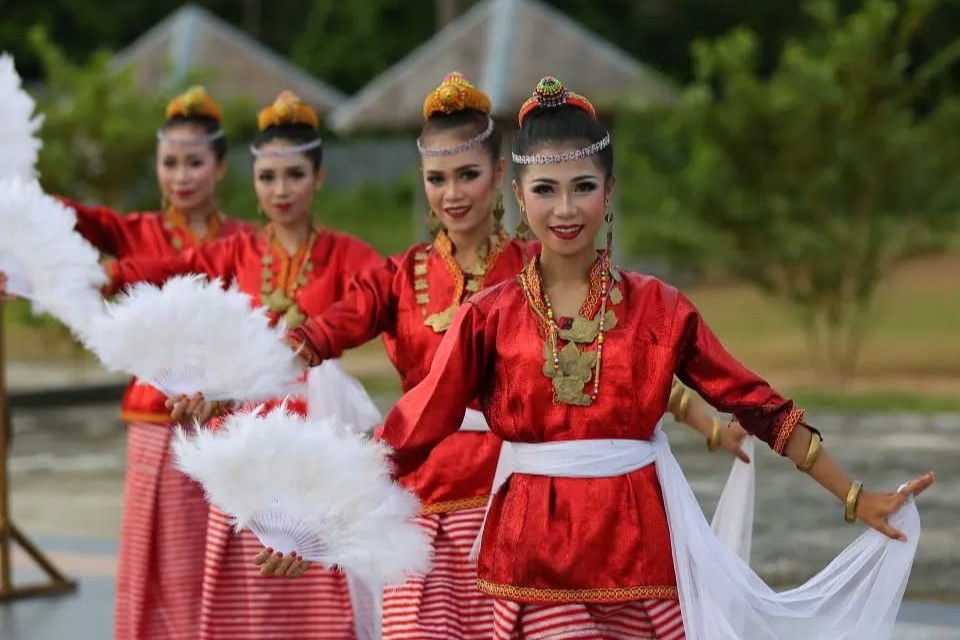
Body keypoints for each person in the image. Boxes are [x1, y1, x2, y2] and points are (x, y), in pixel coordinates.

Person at [290, 76, 931, 640]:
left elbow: (758, 405)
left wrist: (855, 495)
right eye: (545, 189)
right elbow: (410, 428)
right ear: (518, 193)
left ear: (610, 191)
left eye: (582, 188)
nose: (565, 209)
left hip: (640, 565)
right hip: (529, 567)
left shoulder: (659, 308)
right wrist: (314, 520)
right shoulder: (489, 315)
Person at [106, 90, 381, 639]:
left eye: (294, 175)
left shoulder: (352, 255)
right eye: (269, 177)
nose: (281, 190)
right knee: (245, 581)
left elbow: (394, 304)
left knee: (319, 575)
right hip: (247, 432)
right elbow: (172, 270)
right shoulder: (235, 253)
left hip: (318, 432)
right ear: (253, 181)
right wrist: (98, 274)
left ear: (319, 177)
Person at [70, 85, 252, 640]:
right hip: (159, 419)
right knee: (165, 563)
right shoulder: (135, 231)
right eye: (170, 163)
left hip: (228, 418)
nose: (181, 175)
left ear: (219, 166)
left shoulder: (246, 240)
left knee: (230, 555)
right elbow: (68, 217)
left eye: (194, 162)